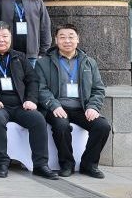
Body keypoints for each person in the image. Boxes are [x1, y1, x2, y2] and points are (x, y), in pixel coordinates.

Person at [0, 22, 58, 179]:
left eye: (5, 36)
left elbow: (33, 80)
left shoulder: (19, 57)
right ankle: (1, 163)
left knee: (38, 119)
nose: (1, 40)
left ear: (10, 38)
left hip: (21, 105)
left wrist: (31, 99)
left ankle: (41, 165)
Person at [36, 24, 110, 179]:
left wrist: (93, 107)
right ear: (56, 40)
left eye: (71, 37)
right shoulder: (44, 63)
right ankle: (67, 164)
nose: (67, 40)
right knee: (61, 126)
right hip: (57, 107)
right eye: (62, 37)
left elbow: (98, 89)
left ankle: (89, 164)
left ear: (78, 39)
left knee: (102, 126)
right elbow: (41, 89)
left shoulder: (89, 62)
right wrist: (54, 105)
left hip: (82, 108)